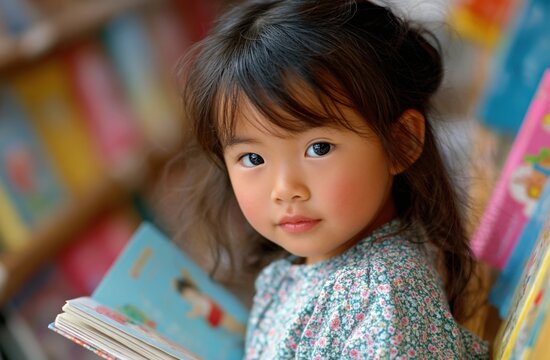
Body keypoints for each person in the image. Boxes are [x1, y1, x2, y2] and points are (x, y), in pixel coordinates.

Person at [175, 0, 490, 358]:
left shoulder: (382, 297)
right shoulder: (308, 270)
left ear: (401, 143)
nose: (285, 189)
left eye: (319, 148)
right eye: (253, 158)